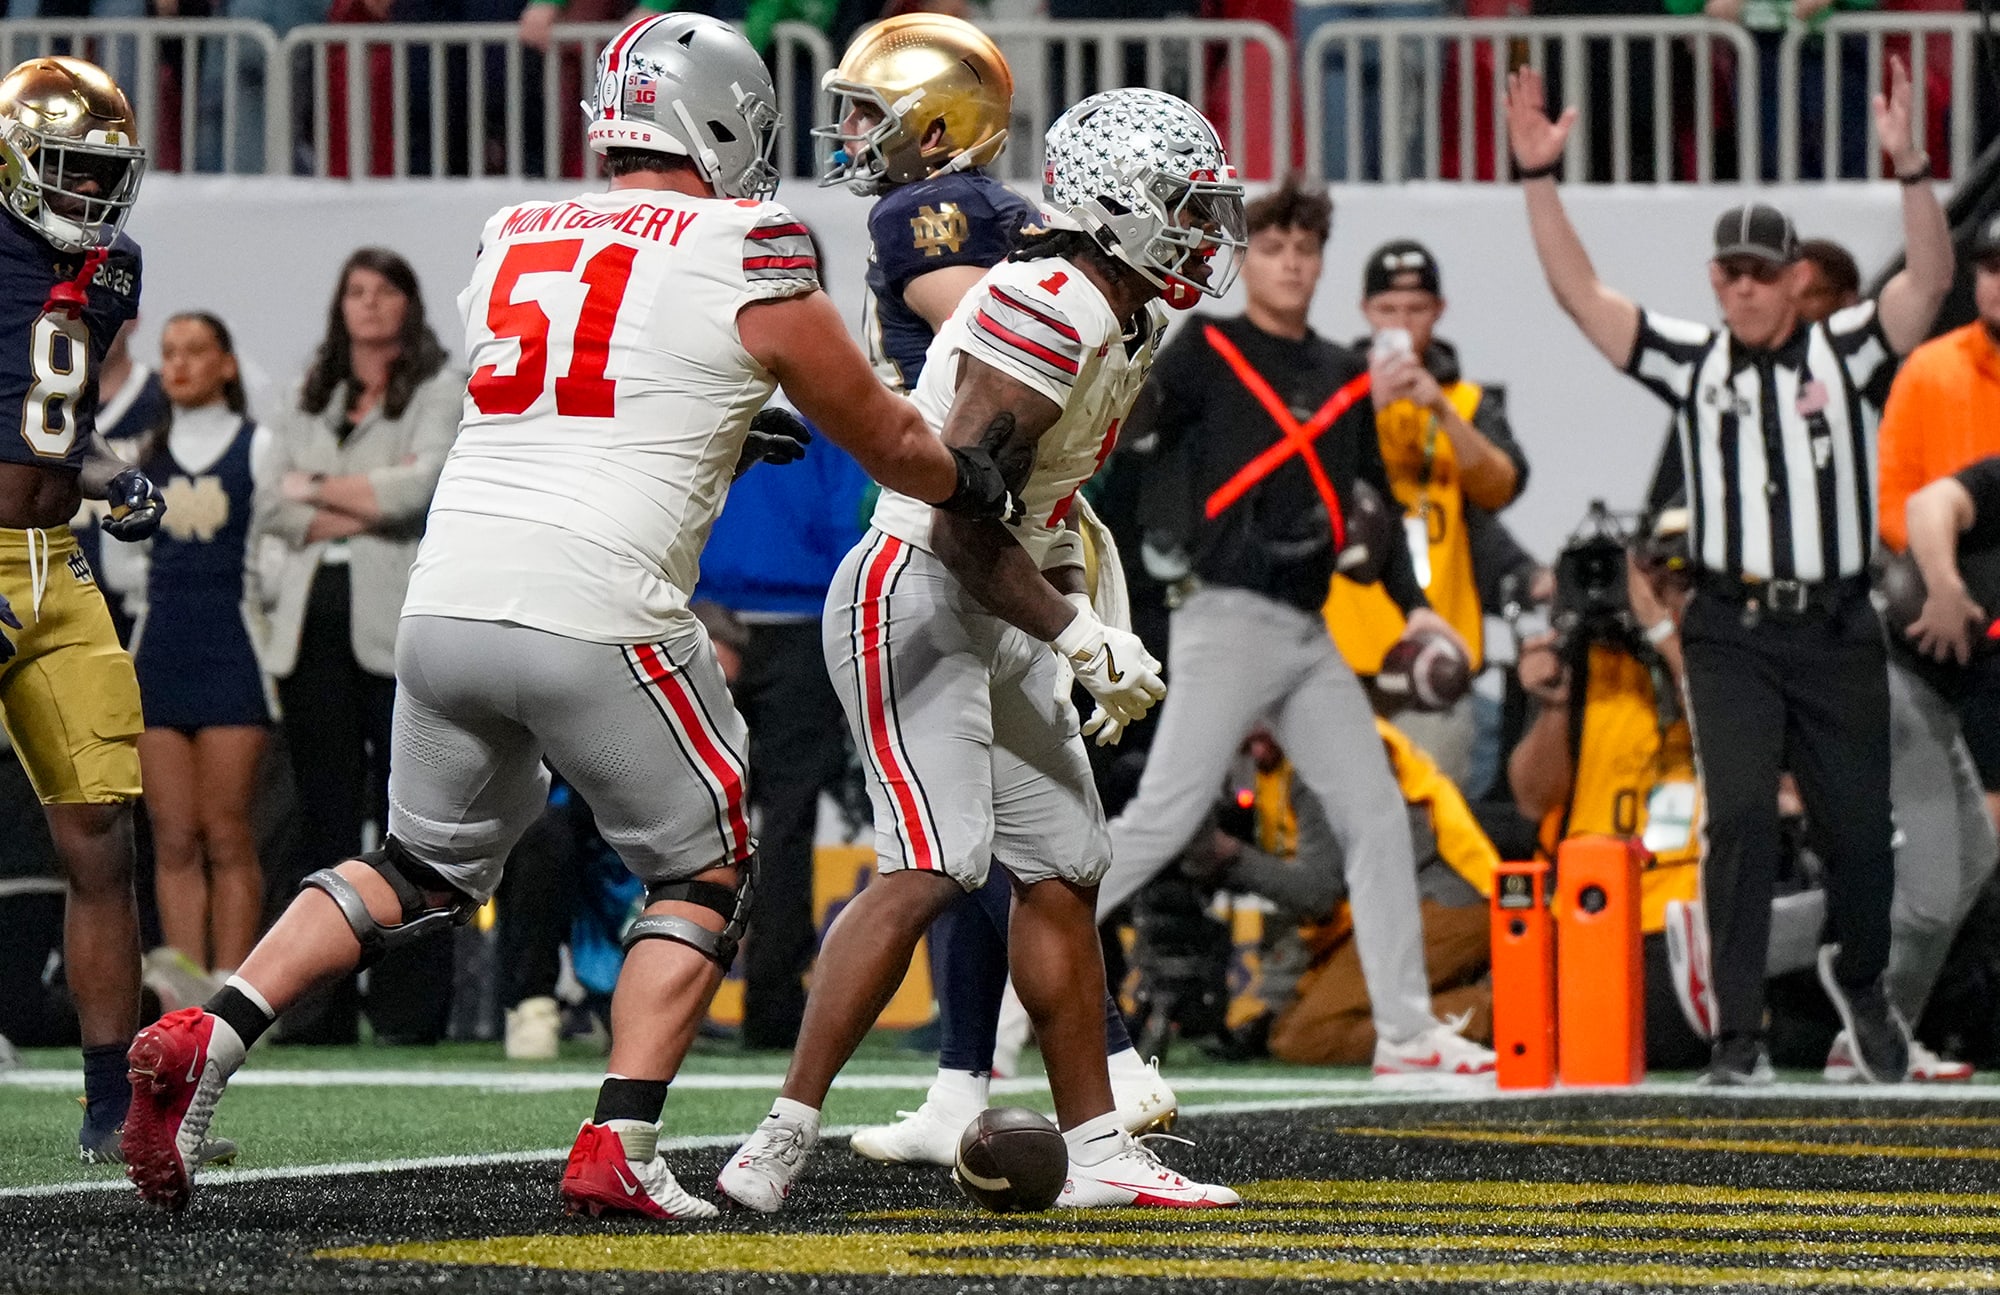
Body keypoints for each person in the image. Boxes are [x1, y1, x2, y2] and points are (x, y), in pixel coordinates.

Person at [120, 12, 1018, 1218]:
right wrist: (972, 481)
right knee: (704, 867)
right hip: (593, 608)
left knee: (417, 864)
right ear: (717, 121)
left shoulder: (513, 231)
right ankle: (620, 1137)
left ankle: (212, 1029)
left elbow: (576, 385)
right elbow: (888, 437)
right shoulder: (749, 240)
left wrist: (720, 420)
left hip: (446, 601)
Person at [717, 88, 1246, 1214]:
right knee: (934, 863)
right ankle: (779, 1134)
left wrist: (1077, 618)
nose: (1205, 230)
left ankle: (1097, 1149)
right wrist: (1079, 636)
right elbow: (959, 517)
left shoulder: (1126, 312)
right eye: (1185, 206)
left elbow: (1036, 510)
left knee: (1064, 865)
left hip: (997, 600)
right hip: (911, 589)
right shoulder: (1051, 304)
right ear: (1118, 206)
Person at [1506, 56, 1953, 1085]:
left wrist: (1912, 170)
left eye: (1763, 270)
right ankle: (1736, 1037)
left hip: (1836, 624)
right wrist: (1536, 176)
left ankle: (1860, 979)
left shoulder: (1845, 351)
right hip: (1731, 629)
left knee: (1860, 835)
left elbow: (1927, 282)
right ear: (1715, 279)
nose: (1746, 286)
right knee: (1741, 818)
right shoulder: (1691, 361)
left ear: (1796, 277)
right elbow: (1580, 296)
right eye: (1732, 271)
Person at [814, 15, 1174, 1166]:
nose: (850, 136)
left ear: (934, 126)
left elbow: (991, 345)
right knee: (984, 839)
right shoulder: (1023, 224)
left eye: (868, 115)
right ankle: (986, 1075)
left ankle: (1089, 1064)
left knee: (975, 840)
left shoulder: (928, 218)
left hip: (970, 514)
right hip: (1011, 511)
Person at [1091, 176, 1497, 1080]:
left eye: (1304, 250)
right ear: (1249, 260)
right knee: (1164, 818)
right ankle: (1011, 991)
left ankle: (1405, 1033)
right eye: (1272, 248)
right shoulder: (1209, 347)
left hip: (1308, 633)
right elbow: (1129, 426)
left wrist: (1415, 604)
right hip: (1226, 618)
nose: (1290, 264)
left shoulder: (1343, 373)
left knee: (1377, 816)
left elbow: (1373, 501)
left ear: (1320, 263)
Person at [0, 55, 178, 1163]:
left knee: (102, 832)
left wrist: (114, 477)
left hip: (58, 566)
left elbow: (53, 419)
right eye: (66, 169)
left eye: (101, 173)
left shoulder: (115, 266)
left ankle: (113, 1104)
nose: (86, 193)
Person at [251, 247, 463, 1046]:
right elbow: (270, 502)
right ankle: (317, 1008)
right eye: (356, 291)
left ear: (409, 303)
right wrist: (372, 494)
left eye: (384, 291)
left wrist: (316, 489)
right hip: (312, 622)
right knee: (322, 816)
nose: (368, 304)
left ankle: (411, 1010)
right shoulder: (311, 389)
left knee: (415, 820)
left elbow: (424, 488)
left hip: (402, 618)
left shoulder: (440, 388)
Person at [1325, 239, 1528, 784]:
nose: (1402, 323)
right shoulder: (1335, 394)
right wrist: (1366, 402)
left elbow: (1501, 488)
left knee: (1432, 813)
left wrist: (1439, 406)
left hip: (1435, 654)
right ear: (1366, 312)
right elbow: (1297, 477)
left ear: (1439, 311)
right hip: (1342, 650)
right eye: (1387, 309)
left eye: (1416, 309)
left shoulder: (1466, 402)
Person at [130, 312, 274, 992]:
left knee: (226, 828)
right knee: (173, 834)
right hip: (158, 652)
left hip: (232, 651)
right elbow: (124, 564)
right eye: (169, 352)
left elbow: (277, 552)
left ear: (227, 364)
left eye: (195, 350)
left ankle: (232, 985)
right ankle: (186, 991)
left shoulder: (258, 446)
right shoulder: (139, 456)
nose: (179, 364)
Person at [1876, 212, 2000, 828]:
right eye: (1990, 269)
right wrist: (1944, 576)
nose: (1998, 283)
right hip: (1947, 609)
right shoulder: (1929, 369)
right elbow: (1896, 501)